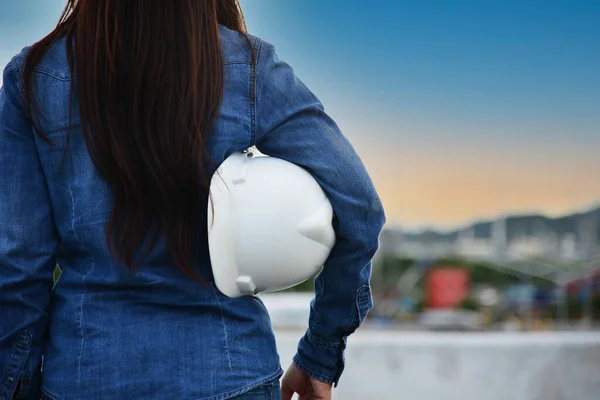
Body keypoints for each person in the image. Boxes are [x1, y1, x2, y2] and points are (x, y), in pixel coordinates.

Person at [0, 1, 385, 399]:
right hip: (232, 376)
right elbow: (360, 209)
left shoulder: (35, 76)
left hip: (86, 378)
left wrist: (14, 387)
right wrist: (319, 354)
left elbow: (17, 265)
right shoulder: (247, 67)